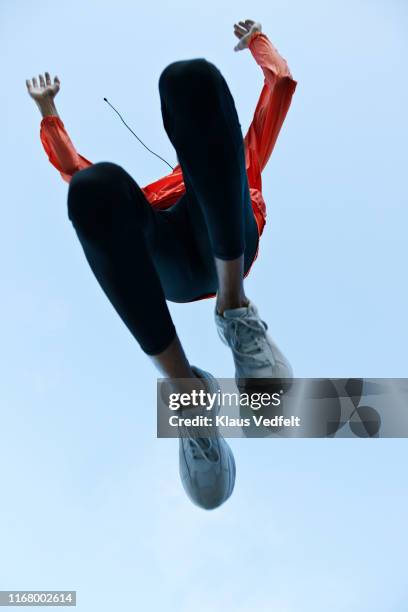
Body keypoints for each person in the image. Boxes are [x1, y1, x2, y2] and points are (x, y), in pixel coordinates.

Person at [26, 19, 297, 510]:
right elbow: (74, 171)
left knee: (189, 82)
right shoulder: (148, 200)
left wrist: (258, 40)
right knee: (94, 190)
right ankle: (188, 396)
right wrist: (49, 113)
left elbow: (279, 86)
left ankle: (236, 313)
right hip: (168, 261)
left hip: (227, 242)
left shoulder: (239, 160)